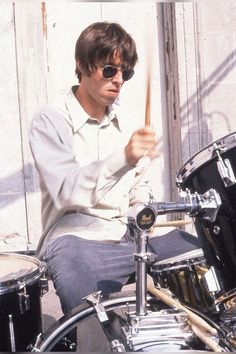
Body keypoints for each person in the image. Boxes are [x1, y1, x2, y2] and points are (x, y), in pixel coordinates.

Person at [29, 22, 200, 320]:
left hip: (126, 235)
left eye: (126, 73)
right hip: (75, 239)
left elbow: (139, 187)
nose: (118, 80)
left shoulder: (129, 124)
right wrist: (125, 157)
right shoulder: (50, 120)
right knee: (82, 291)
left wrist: (141, 208)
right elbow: (67, 191)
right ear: (81, 64)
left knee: (199, 252)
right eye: (109, 70)